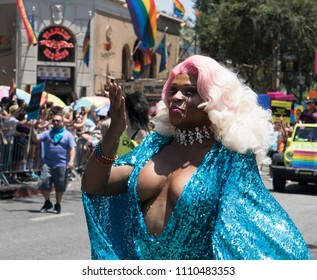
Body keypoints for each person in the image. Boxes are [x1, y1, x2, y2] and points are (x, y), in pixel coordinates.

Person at [81, 55, 311, 260]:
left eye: (189, 92)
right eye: (172, 90)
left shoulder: (230, 157)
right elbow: (94, 185)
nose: (176, 97)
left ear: (214, 99)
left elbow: (251, 231)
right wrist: (113, 133)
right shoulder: (153, 146)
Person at [29, 112, 76, 214]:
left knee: (60, 186)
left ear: (62, 123)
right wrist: (32, 127)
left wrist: (71, 161)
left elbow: (72, 148)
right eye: (53, 121)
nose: (55, 122)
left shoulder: (68, 135)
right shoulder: (48, 133)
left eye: (57, 121)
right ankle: (47, 202)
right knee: (44, 182)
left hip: (61, 164)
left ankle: (57, 204)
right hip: (48, 163)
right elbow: (35, 138)